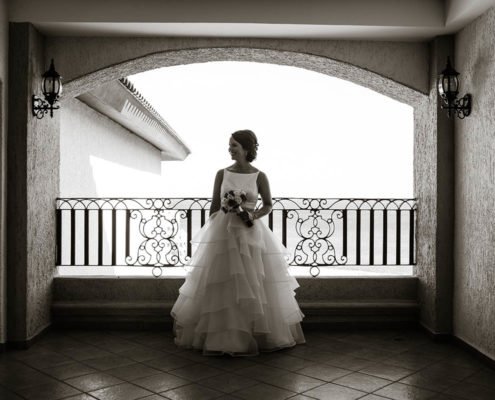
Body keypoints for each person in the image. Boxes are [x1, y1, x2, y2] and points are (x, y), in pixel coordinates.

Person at [170, 129, 305, 356]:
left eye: (234, 145)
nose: (230, 149)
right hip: (223, 233)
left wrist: (252, 215)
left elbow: (269, 204)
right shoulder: (221, 174)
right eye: (229, 145)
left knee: (254, 283)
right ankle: (222, 336)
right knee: (221, 283)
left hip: (250, 233)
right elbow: (214, 206)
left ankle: (255, 334)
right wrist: (210, 234)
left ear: (246, 148)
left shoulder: (259, 176)